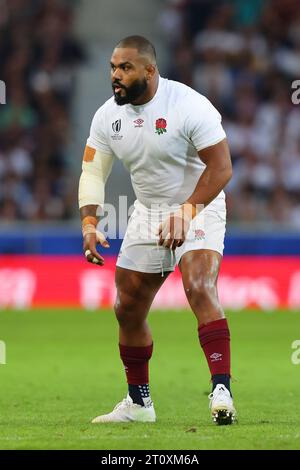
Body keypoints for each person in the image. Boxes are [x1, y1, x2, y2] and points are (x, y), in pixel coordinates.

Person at [78, 35, 236, 425]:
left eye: (125, 68)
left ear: (150, 70)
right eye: (113, 67)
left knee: (199, 285)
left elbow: (221, 168)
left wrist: (187, 211)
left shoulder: (189, 105)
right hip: (147, 212)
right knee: (127, 307)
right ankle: (138, 403)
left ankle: (221, 391)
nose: (116, 75)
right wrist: (89, 222)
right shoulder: (106, 117)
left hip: (198, 204)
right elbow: (93, 171)